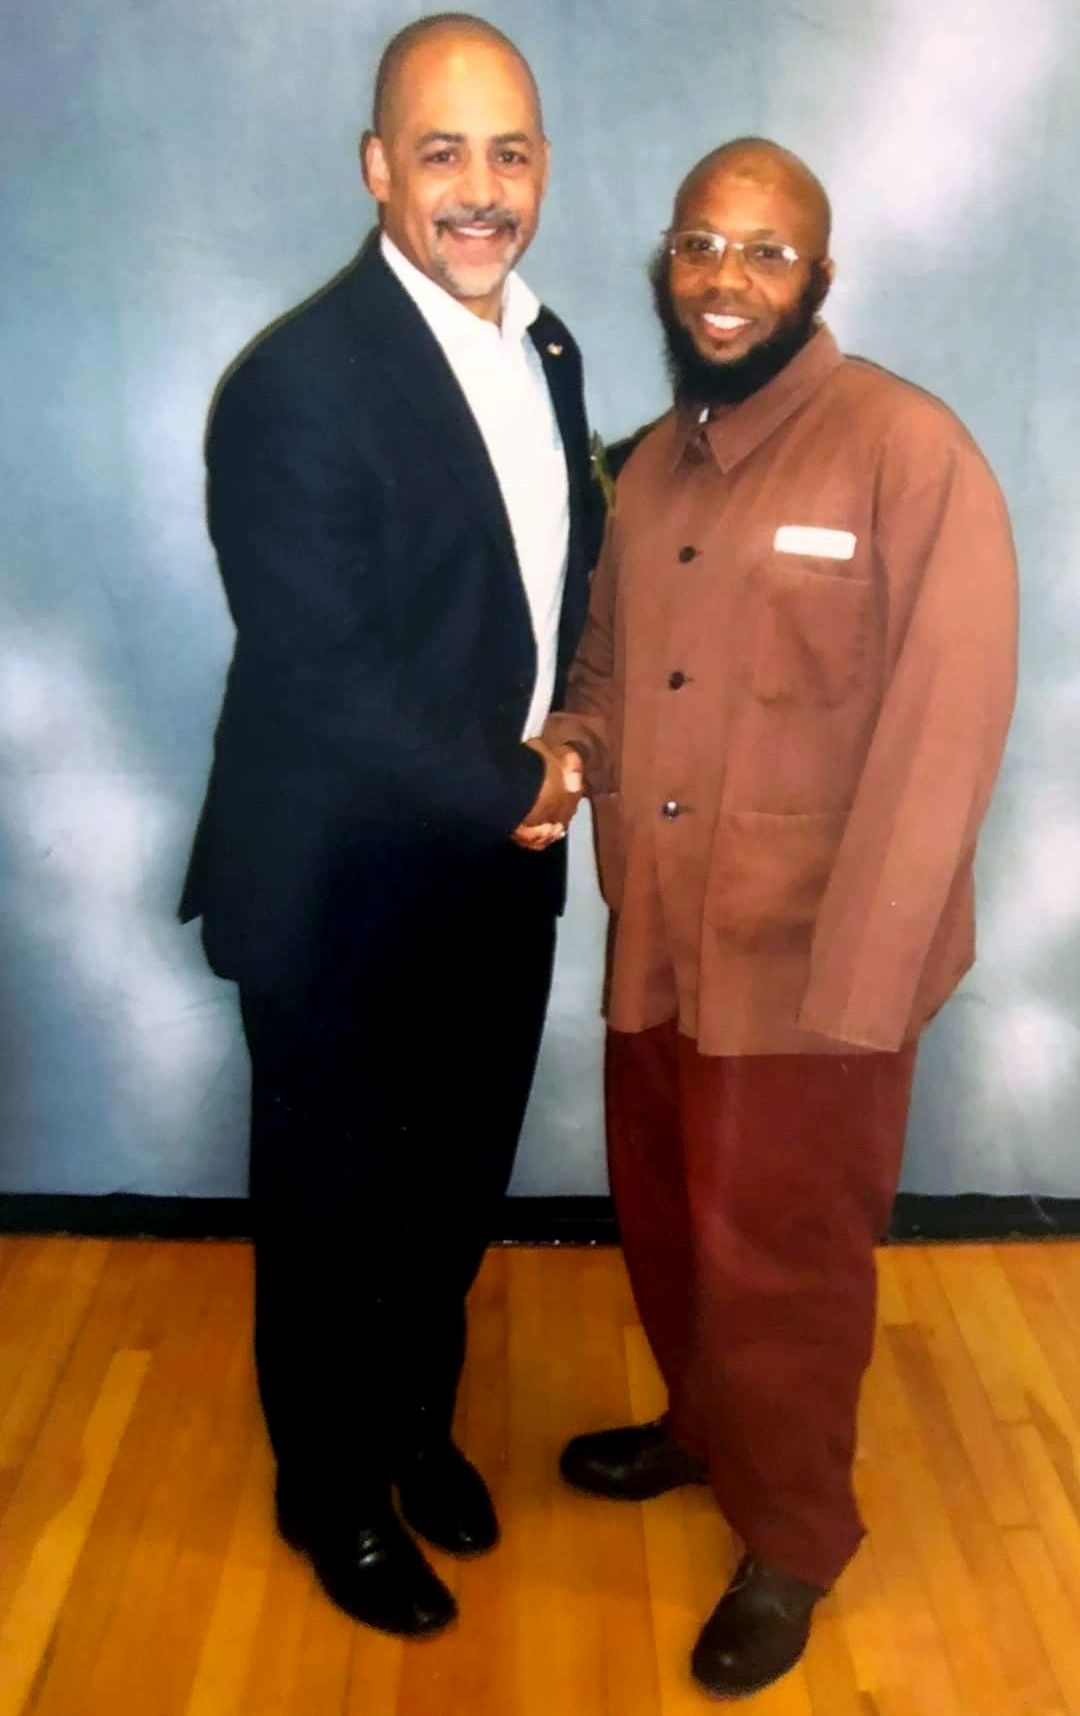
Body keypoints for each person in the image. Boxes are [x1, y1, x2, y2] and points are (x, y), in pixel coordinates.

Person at [543, 138, 1017, 1697]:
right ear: (665, 268)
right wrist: (569, 751)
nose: (725, 281)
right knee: (672, 1220)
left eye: (764, 253)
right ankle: (701, 1431)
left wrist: (869, 984)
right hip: (665, 938)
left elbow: (949, 728)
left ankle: (798, 1534)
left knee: (789, 1265)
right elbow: (608, 670)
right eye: (699, 247)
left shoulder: (906, 452)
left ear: (819, 277)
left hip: (816, 970)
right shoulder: (649, 464)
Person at [179, 13, 596, 1637]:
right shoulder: (294, 384)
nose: (479, 189)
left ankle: (413, 1426)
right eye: (442, 151)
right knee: (334, 1206)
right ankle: (330, 1491)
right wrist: (529, 781)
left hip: (498, 883)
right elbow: (327, 677)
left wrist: (575, 730)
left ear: (542, 169)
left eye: (509, 152)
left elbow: (537, 590)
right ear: (377, 169)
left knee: (454, 1189)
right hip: (341, 888)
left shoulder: (547, 347)